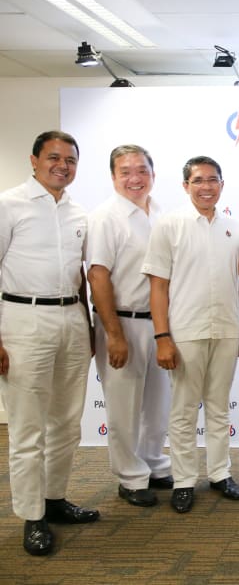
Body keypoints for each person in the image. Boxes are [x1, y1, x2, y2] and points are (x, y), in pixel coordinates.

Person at [0, 130, 99, 556]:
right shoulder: (9, 204)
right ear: (34, 160)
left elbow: (81, 275)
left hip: (72, 318)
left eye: (71, 160)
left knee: (66, 422)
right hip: (23, 319)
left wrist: (90, 326)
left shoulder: (79, 212)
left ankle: (55, 499)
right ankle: (31, 516)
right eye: (54, 158)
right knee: (27, 428)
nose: (63, 165)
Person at [142, 155, 239, 514]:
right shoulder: (169, 225)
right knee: (184, 409)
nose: (206, 187)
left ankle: (220, 473)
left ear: (222, 184)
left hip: (228, 328)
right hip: (185, 330)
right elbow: (158, 287)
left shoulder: (234, 228)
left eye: (213, 180)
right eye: (198, 180)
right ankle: (184, 480)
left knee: (219, 407)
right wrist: (162, 336)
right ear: (185, 186)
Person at [87, 144, 173, 509]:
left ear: (153, 174)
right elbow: (97, 275)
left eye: (142, 170)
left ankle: (153, 463)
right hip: (122, 322)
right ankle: (130, 476)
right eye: (125, 171)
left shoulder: (162, 213)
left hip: (160, 325)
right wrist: (114, 335)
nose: (135, 178)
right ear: (112, 176)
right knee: (123, 406)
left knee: (156, 403)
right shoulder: (106, 217)